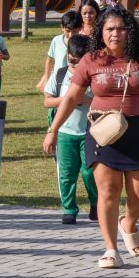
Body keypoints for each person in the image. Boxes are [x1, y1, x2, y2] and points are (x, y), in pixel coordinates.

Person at [43, 7, 139, 269]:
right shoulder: (91, 59)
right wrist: (53, 129)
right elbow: (72, 98)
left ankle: (128, 223)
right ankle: (111, 249)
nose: (115, 34)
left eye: (121, 28)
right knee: (108, 191)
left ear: (129, 31)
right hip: (102, 131)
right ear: (101, 31)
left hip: (138, 130)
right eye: (110, 28)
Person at [42, 34, 97, 225]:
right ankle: (69, 209)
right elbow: (47, 101)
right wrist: (70, 100)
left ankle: (96, 204)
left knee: (90, 172)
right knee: (66, 174)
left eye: (80, 62)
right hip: (65, 132)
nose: (75, 65)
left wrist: (86, 100)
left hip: (90, 132)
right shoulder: (60, 74)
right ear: (67, 55)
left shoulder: (94, 76)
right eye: (72, 61)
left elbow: (103, 101)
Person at [36, 10, 82, 92]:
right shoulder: (56, 40)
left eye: (74, 31)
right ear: (62, 28)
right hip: (57, 80)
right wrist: (46, 79)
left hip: (75, 81)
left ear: (80, 28)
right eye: (68, 31)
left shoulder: (83, 43)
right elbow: (49, 60)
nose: (70, 35)